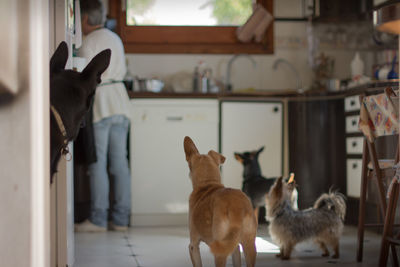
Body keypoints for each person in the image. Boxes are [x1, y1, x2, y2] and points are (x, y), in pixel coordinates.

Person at [75, 0, 131, 232]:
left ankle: (98, 219)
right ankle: (120, 219)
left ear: (85, 19)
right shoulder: (114, 37)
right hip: (121, 101)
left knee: (97, 164)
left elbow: (80, 75)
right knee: (119, 163)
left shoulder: (88, 42)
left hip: (101, 104)